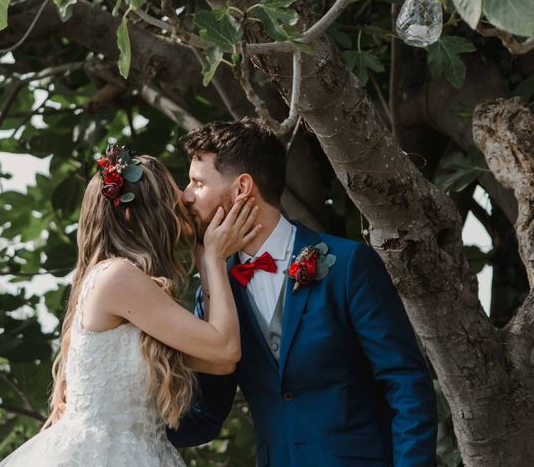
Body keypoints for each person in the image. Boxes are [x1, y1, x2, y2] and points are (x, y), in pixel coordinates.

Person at [166, 118, 438, 466]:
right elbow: (206, 416)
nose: (185, 196)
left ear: (241, 188)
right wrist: (111, 418)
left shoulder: (348, 265)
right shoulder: (216, 293)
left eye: (197, 183)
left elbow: (406, 385)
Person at [0, 148, 260, 466]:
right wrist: (216, 260)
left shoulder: (129, 284)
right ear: (139, 215)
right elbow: (225, 348)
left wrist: (205, 260)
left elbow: (218, 362)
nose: (186, 202)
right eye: (173, 199)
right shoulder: (119, 278)